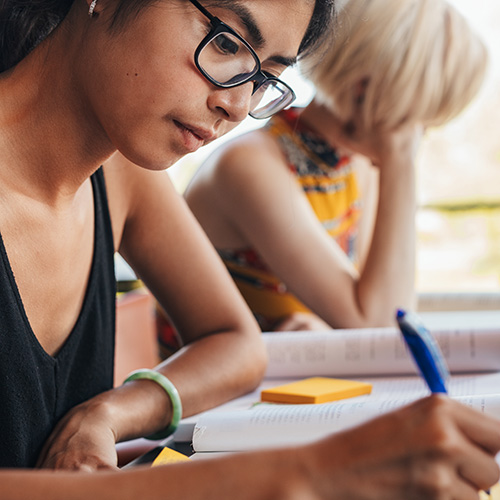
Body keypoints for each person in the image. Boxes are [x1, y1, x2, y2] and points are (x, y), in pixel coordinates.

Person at [1, 0, 500, 499]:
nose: (237, 106)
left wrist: (108, 413)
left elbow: (236, 340)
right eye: (224, 42)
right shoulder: (239, 166)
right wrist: (306, 474)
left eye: (264, 78)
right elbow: (372, 318)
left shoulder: (119, 174)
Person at [184, 0, 488, 333]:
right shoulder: (250, 165)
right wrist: (401, 161)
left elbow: (382, 306)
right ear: (366, 92)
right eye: (418, 121)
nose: (418, 137)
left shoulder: (357, 168)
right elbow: (380, 325)